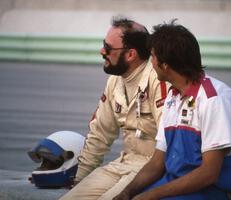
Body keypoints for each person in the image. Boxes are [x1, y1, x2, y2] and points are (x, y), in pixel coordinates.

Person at [114, 21, 231, 200]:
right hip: (177, 185)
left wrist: (152, 195)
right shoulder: (173, 97)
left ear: (165, 65)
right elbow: (157, 163)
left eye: (153, 56)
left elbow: (209, 173)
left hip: (210, 192)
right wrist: (127, 192)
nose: (151, 62)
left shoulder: (213, 99)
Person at [59, 16, 169, 200]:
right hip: (123, 164)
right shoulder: (114, 82)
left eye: (108, 48)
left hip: (153, 169)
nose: (102, 51)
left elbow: (170, 141)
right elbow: (99, 136)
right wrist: (78, 180)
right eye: (104, 44)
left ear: (131, 54)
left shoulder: (158, 80)